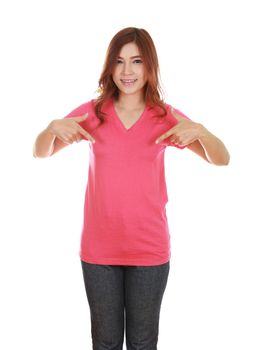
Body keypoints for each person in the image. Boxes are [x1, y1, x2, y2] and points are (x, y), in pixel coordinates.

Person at [33, 27, 230, 350]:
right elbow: (41, 151)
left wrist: (203, 132)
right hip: (99, 251)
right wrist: (51, 127)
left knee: (142, 343)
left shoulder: (164, 116)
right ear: (109, 67)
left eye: (136, 61)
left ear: (149, 66)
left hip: (149, 250)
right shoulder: (92, 113)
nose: (127, 71)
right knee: (105, 342)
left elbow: (221, 159)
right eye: (120, 61)